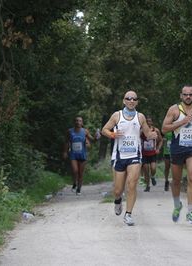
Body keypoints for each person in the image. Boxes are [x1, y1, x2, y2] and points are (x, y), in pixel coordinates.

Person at [102, 91, 157, 226]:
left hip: (135, 155)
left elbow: (147, 134)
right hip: (119, 156)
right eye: (128, 98)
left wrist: (153, 135)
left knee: (132, 184)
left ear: (137, 102)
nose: (131, 101)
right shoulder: (117, 115)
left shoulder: (140, 117)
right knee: (117, 190)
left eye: (134, 99)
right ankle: (118, 200)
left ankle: (128, 214)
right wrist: (113, 134)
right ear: (124, 101)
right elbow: (104, 130)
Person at [162, 85, 192, 224]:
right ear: (181, 96)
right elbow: (164, 129)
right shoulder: (174, 110)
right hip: (177, 147)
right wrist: (181, 122)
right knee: (176, 181)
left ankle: (190, 211)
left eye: (190, 94)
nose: (188, 97)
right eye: (185, 94)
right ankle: (177, 205)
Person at [63, 116, 96, 195]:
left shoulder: (85, 131)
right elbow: (66, 142)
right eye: (76, 121)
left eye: (80, 121)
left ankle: (79, 189)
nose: (78, 122)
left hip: (82, 154)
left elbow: (92, 140)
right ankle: (74, 183)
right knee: (75, 171)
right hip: (73, 154)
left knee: (81, 173)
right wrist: (64, 152)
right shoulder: (69, 131)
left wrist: (96, 138)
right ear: (74, 122)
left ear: (82, 123)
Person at [141, 116, 163, 192]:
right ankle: (147, 186)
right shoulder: (141, 131)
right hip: (144, 153)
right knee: (146, 170)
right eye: (147, 122)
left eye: (150, 121)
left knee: (153, 168)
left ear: (152, 122)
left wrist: (158, 149)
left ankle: (152, 176)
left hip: (153, 153)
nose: (148, 123)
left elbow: (161, 140)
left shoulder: (156, 130)